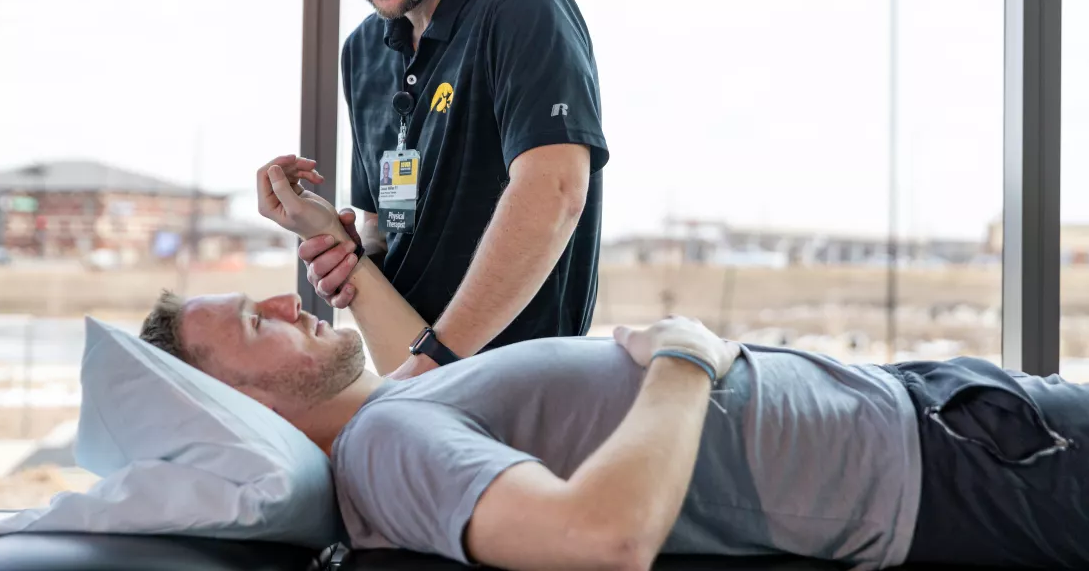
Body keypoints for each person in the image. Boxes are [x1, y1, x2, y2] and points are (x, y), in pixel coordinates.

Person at [137, 158, 1089, 570]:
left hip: (939, 421)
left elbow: (420, 358)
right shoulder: (386, 447)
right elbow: (602, 538)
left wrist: (321, 238)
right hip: (960, 461)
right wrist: (682, 356)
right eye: (253, 327)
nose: (280, 301)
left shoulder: (390, 414)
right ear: (244, 414)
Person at [296, 0, 610, 379]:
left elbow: (557, 191)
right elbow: (384, 233)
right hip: (422, 386)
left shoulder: (520, 7)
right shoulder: (362, 53)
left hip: (527, 390)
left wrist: (433, 362)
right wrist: (347, 261)